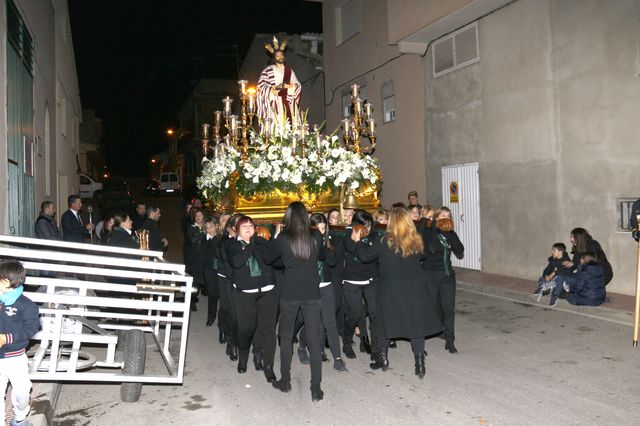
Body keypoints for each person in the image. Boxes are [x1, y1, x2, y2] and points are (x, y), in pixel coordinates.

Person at [350, 208, 442, 378]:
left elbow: (364, 256)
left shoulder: (383, 241)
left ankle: (383, 360)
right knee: (416, 325)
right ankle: (419, 365)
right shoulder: (415, 240)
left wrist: (357, 241)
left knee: (385, 324)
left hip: (390, 289)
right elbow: (422, 257)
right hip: (414, 289)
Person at [264, 202, 326, 401]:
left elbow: (268, 258)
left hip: (290, 292)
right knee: (315, 340)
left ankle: (286, 381)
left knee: (286, 336)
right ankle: (316, 388)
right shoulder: (316, 235)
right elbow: (320, 256)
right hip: (311, 292)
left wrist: (276, 239)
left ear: (288, 216)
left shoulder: (283, 238)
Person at [227, 216, 278, 384]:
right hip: (244, 293)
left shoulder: (262, 242)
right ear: (236, 229)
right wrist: (250, 245)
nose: (248, 228)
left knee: (268, 330)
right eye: (244, 226)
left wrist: (262, 242)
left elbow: (269, 262)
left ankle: (268, 365)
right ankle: (243, 357)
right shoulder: (232, 245)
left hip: (267, 291)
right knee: (246, 329)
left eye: (251, 225)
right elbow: (237, 262)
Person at [296, 213, 348, 373]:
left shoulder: (329, 243)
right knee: (314, 323)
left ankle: (338, 359)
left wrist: (324, 245)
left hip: (326, 286)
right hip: (311, 288)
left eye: (323, 228)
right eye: (317, 228)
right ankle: (301, 345)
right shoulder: (302, 245)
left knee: (329, 322)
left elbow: (332, 262)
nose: (320, 231)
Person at [0, 260, 40, 426]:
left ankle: (20, 418)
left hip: (15, 357)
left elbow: (31, 328)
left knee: (22, 393)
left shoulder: (26, 305)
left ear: (6, 281)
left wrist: (6, 338)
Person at [422, 208, 464, 354]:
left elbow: (460, 249)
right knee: (429, 308)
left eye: (448, 216)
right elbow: (432, 248)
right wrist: (434, 226)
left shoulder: (450, 233)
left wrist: (450, 238)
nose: (446, 218)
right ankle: (420, 344)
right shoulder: (429, 232)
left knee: (448, 309)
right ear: (435, 218)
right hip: (431, 275)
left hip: (447, 276)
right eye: (442, 216)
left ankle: (450, 340)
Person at [341, 210, 380, 360]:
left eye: (369, 225)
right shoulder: (348, 237)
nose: (367, 229)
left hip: (370, 280)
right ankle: (346, 341)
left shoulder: (375, 237)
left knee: (375, 314)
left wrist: (359, 240)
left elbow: (367, 256)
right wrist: (353, 231)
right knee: (355, 314)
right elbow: (351, 247)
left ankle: (376, 349)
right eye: (363, 225)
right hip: (352, 281)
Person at [257, 36, 301, 125]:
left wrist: (291, 86)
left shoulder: (289, 70)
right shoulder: (268, 70)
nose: (280, 57)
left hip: (287, 102)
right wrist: (270, 89)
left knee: (290, 126)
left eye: (281, 55)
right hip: (274, 103)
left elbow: (297, 85)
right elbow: (261, 86)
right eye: (278, 56)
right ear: (274, 58)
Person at [217, 214, 242, 361]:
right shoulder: (224, 243)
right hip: (228, 279)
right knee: (229, 311)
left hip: (243, 283)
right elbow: (228, 259)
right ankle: (231, 342)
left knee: (241, 315)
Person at [184, 207, 207, 308]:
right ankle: (191, 300)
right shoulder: (191, 227)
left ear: (204, 217)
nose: (198, 217)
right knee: (195, 280)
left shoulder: (208, 227)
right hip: (194, 258)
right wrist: (204, 232)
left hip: (205, 257)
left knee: (203, 278)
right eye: (196, 216)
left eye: (200, 215)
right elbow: (193, 240)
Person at [202, 217, 222, 328]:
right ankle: (210, 317)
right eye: (207, 228)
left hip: (220, 271)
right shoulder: (205, 240)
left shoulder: (220, 238)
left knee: (223, 297)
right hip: (209, 270)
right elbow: (202, 256)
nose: (209, 229)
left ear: (216, 226)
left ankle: (222, 322)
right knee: (212, 296)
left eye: (211, 226)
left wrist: (213, 240)